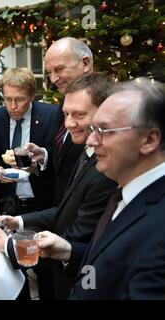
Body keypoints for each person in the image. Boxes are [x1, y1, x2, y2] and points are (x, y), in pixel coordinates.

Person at [0, 73, 118, 299]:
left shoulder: (105, 170)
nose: (68, 124)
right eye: (66, 115)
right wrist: (18, 221)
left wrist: (8, 245)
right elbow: (65, 210)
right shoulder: (87, 153)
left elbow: (76, 241)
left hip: (82, 279)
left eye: (79, 115)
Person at [37, 78, 165, 299]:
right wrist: (68, 251)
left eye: (105, 130)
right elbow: (105, 268)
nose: (92, 140)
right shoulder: (124, 195)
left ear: (149, 140)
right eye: (94, 128)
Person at [28, 37, 93, 205]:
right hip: (59, 210)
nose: (54, 78)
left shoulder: (105, 108)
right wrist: (44, 155)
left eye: (59, 69)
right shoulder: (64, 102)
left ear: (85, 64)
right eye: (49, 72)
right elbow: (64, 158)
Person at [0, 67, 57, 214]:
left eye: (20, 99)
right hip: (6, 205)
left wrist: (41, 161)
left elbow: (61, 160)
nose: (13, 106)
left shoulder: (51, 116)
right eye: (7, 99)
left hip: (42, 205)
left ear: (32, 95)